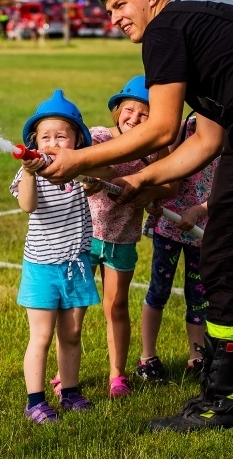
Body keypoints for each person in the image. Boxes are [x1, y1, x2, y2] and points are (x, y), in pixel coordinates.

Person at [38, 0, 233, 432]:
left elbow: (160, 127)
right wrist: (138, 182)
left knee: (226, 260)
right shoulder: (203, 33)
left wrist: (78, 162)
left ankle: (220, 404)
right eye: (109, 9)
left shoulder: (165, 30)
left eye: (120, 4)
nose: (114, 17)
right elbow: (206, 141)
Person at [51, 75, 172, 400]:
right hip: (84, 237)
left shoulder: (157, 151)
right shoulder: (101, 137)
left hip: (122, 240)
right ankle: (65, 372)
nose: (134, 118)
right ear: (117, 111)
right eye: (129, 110)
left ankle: (117, 376)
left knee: (116, 306)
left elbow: (169, 185)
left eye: (144, 114)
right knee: (74, 306)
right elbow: (86, 164)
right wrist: (92, 175)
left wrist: (150, 193)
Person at [9, 89, 101, 424]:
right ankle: (35, 402)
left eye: (62, 136)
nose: (52, 143)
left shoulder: (79, 170)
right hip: (42, 269)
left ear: (77, 140)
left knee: (72, 335)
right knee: (42, 336)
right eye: (45, 137)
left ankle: (71, 392)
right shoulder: (29, 173)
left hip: (76, 266)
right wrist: (31, 172)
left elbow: (95, 184)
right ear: (34, 141)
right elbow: (27, 206)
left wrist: (86, 175)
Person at [136, 112, 216, 383]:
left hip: (203, 231)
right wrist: (153, 197)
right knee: (158, 291)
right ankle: (147, 356)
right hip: (169, 227)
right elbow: (163, 170)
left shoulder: (231, 137)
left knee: (199, 296)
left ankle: (196, 356)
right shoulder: (182, 130)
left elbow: (232, 186)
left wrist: (199, 210)